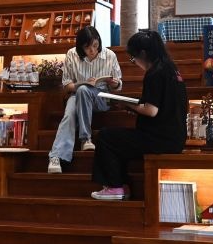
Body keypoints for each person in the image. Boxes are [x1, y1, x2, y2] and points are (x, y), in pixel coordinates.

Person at [91, 30, 188, 200]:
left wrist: (126, 104)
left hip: (159, 140)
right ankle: (122, 186)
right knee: (120, 140)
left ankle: (115, 187)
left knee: (106, 137)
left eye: (133, 58)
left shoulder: (154, 73)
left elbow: (151, 110)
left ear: (143, 54)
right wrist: (134, 105)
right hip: (175, 138)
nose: (134, 62)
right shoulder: (172, 69)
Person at [48, 26, 123, 174]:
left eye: (95, 45)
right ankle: (56, 157)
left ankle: (85, 139)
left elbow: (118, 86)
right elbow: (67, 86)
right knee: (70, 113)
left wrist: (114, 83)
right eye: (87, 47)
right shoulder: (72, 54)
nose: (92, 50)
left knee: (83, 91)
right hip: (77, 94)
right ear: (81, 47)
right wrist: (82, 84)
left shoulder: (110, 55)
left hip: (101, 97)